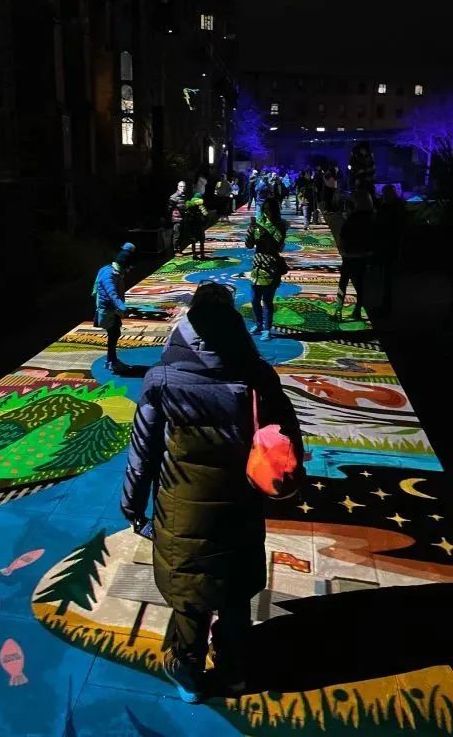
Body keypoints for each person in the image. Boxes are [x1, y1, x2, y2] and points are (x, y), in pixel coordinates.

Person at [121, 281, 303, 704]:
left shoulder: (162, 379)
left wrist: (132, 505)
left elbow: (142, 451)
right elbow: (288, 439)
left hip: (180, 508)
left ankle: (188, 674)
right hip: (241, 502)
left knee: (190, 596)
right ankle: (234, 669)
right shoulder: (258, 375)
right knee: (235, 590)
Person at [246, 198, 288, 340]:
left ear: (275, 210)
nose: (267, 212)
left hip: (271, 266)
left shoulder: (280, 225)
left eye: (269, 209)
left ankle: (266, 329)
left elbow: (279, 246)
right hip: (257, 266)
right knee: (254, 299)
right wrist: (251, 230)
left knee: (267, 301)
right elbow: (249, 245)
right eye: (265, 209)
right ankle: (258, 324)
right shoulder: (258, 224)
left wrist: (264, 232)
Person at [92, 243, 136, 373]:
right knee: (113, 334)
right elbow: (111, 293)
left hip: (112, 309)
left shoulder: (114, 272)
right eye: (129, 267)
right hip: (107, 310)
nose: (129, 270)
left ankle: (111, 361)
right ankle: (112, 362)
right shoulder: (109, 274)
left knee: (114, 334)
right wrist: (122, 307)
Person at [334, 192, 375, 321]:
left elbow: (343, 236)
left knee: (343, 282)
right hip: (363, 255)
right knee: (360, 283)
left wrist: (342, 251)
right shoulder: (371, 218)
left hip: (349, 255)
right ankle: (357, 310)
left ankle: (338, 311)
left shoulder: (352, 219)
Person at [374, 184, 405, 314]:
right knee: (386, 277)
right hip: (391, 245)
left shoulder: (388, 209)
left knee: (386, 278)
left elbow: (382, 225)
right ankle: (385, 304)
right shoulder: (398, 207)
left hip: (387, 246)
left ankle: (386, 306)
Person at [183, 195, 208, 259]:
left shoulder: (189, 205)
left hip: (192, 225)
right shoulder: (201, 205)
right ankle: (202, 254)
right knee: (201, 241)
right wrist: (204, 223)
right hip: (199, 225)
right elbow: (205, 214)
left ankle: (194, 254)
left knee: (193, 241)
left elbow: (186, 216)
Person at [169, 181, 188, 254]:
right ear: (178, 187)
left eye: (184, 187)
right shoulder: (173, 197)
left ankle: (179, 249)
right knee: (177, 234)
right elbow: (169, 209)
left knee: (182, 235)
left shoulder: (184, 196)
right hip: (177, 219)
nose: (182, 188)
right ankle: (175, 250)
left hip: (183, 218)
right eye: (181, 186)